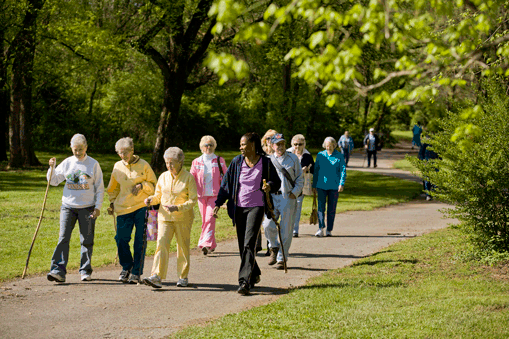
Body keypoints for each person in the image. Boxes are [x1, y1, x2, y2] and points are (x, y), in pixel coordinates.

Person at [213, 132, 281, 295]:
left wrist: (269, 186)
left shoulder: (265, 162)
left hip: (256, 206)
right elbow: (226, 183)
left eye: (243, 144)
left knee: (249, 243)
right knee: (242, 246)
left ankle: (244, 282)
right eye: (240, 145)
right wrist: (218, 203)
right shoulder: (237, 162)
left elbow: (276, 182)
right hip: (238, 207)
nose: (240, 147)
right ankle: (254, 273)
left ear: (253, 145)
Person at [46, 134, 104, 283]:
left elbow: (99, 188)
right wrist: (51, 168)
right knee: (63, 238)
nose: (77, 153)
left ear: (86, 148)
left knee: (87, 240)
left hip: (88, 207)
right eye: (75, 150)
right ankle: (58, 270)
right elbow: (53, 181)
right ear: (71, 148)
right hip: (68, 207)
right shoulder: (67, 163)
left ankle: (85, 270)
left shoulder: (93, 164)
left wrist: (98, 207)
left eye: (80, 149)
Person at [142, 147, 197, 288]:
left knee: (182, 246)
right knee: (161, 244)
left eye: (172, 163)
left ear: (180, 162)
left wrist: (178, 207)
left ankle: (183, 277)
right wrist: (150, 199)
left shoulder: (188, 177)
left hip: (183, 218)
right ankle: (156, 276)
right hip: (164, 217)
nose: (169, 166)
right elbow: (158, 196)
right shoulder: (163, 176)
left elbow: (192, 200)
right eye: (167, 163)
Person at [106, 137, 157, 284]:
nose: (123, 156)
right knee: (121, 239)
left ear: (132, 151)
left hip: (142, 206)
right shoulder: (117, 167)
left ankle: (136, 272)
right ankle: (127, 266)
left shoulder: (144, 165)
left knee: (139, 241)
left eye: (125, 153)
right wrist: (112, 203)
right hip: (123, 208)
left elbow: (154, 186)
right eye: (120, 153)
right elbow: (113, 188)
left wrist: (142, 186)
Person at [263, 133, 303, 269]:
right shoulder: (267, 160)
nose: (280, 146)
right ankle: (273, 246)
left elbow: (299, 178)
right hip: (272, 198)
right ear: (272, 145)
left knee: (286, 229)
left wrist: (295, 193)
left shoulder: (293, 158)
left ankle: (282, 258)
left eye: (282, 143)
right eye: (277, 144)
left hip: (288, 197)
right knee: (268, 225)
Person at [190, 136, 227, 255]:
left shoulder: (219, 160)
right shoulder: (196, 162)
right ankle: (212, 244)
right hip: (201, 196)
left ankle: (205, 244)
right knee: (205, 221)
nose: (209, 147)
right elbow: (191, 178)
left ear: (214, 146)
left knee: (209, 218)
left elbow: (226, 177)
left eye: (211, 145)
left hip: (215, 195)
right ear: (201, 147)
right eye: (206, 145)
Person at [312, 137, 346, 237]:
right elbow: (316, 171)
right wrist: (314, 185)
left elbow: (343, 171)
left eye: (330, 145)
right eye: (327, 145)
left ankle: (329, 230)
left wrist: (341, 183)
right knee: (321, 208)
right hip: (321, 185)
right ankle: (321, 228)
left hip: (334, 186)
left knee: (332, 209)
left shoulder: (339, 156)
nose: (328, 147)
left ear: (334, 145)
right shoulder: (320, 155)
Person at [287, 134, 314, 238]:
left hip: (300, 185)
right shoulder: (287, 153)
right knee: (287, 206)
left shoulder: (307, 155)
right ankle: (287, 228)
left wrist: (306, 170)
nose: (297, 146)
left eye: (300, 144)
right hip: (287, 184)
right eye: (295, 144)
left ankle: (295, 230)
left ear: (304, 144)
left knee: (297, 206)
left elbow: (313, 169)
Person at [418, 135, 439, 201]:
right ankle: (428, 194)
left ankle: (433, 192)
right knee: (427, 179)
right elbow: (421, 154)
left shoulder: (436, 145)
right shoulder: (425, 144)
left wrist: (439, 160)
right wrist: (423, 161)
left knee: (435, 179)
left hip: (435, 163)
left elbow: (439, 155)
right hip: (426, 163)